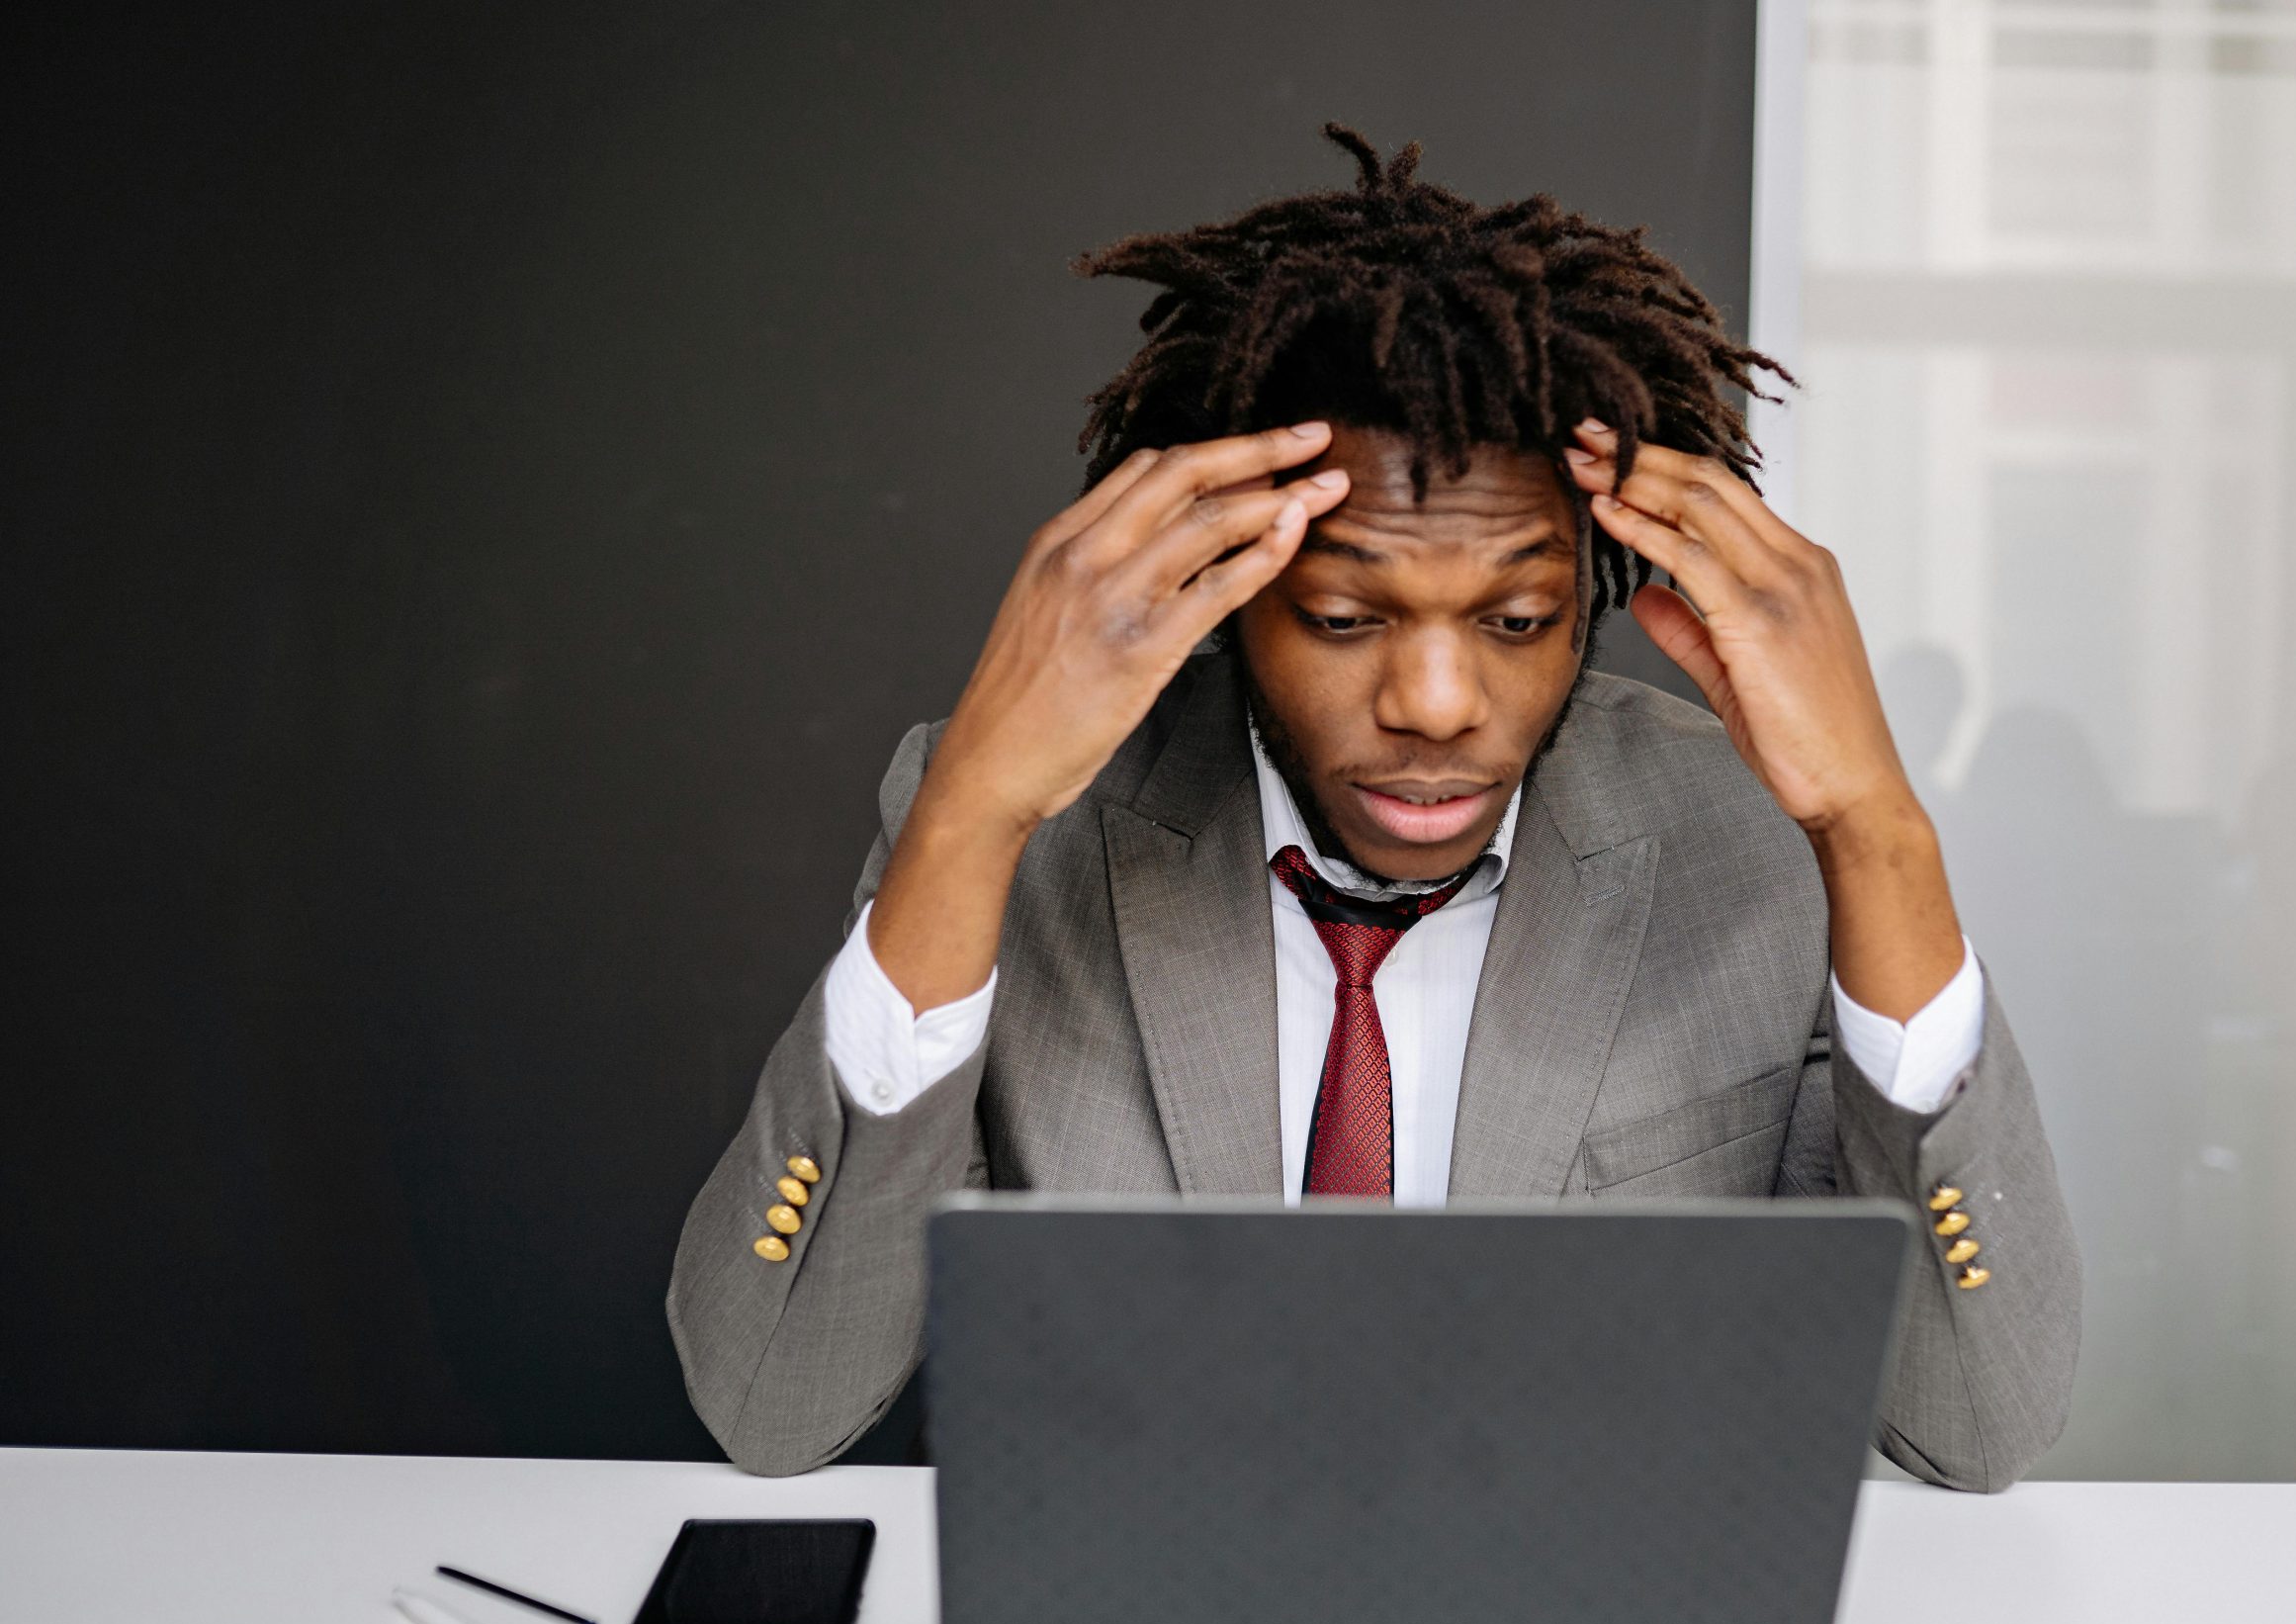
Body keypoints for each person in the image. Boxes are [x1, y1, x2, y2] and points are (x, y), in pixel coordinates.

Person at [668, 125, 2079, 1488]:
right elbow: (771, 1400)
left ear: (1592, 597)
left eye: (1519, 618)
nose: (1439, 701)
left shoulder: (1749, 835)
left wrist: (1878, 832)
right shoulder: (1021, 822)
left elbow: (1978, 1424)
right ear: (1235, 590)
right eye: (1346, 615)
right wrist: (969, 818)